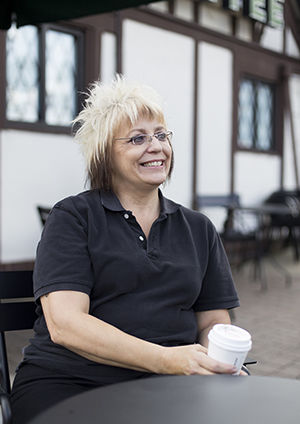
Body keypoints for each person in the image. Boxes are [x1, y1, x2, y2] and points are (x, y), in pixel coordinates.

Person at [11, 76, 241, 423]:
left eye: (161, 135)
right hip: (71, 381)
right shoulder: (73, 218)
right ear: (105, 154)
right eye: (138, 138)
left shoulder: (198, 228)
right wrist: (169, 360)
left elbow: (212, 319)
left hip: (168, 385)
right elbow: (66, 324)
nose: (156, 146)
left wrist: (214, 359)